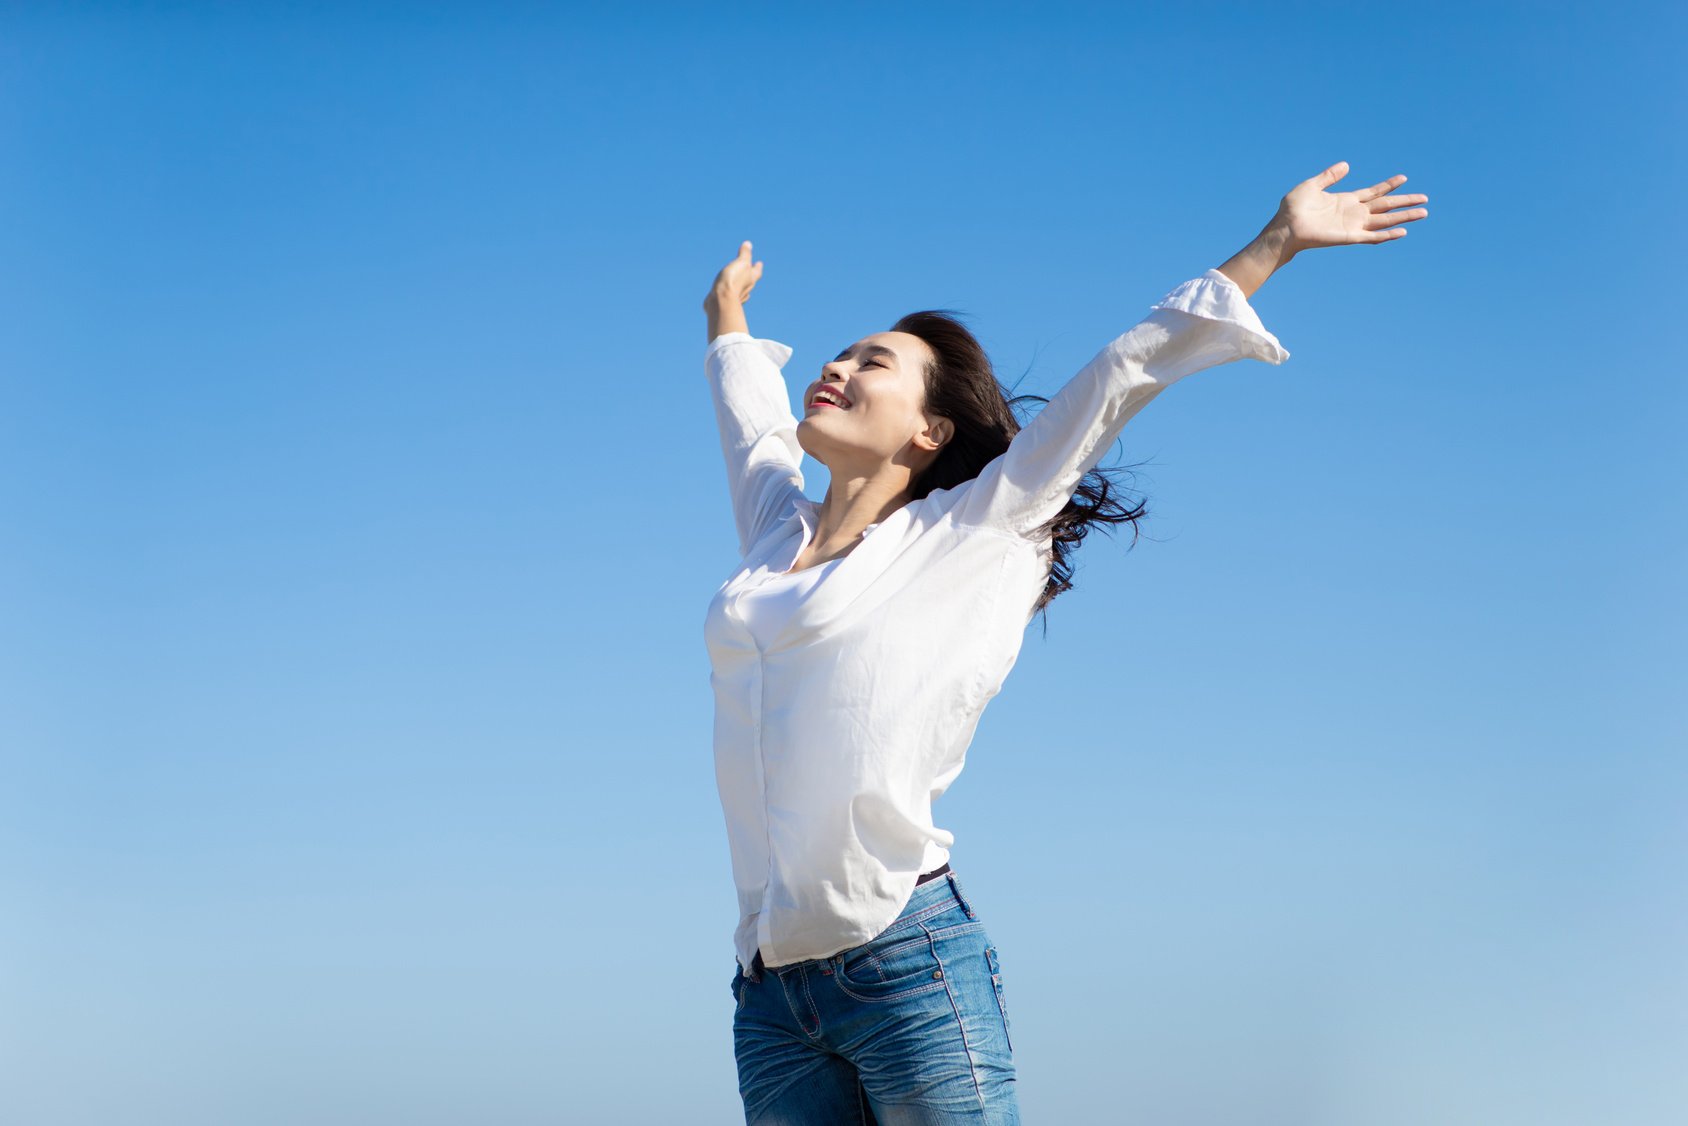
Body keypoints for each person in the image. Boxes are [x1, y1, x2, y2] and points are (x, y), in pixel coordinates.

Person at [701, 160, 1428, 1125]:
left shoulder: (972, 528)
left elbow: (1118, 378)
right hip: (770, 995)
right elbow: (753, 429)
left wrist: (1275, 243)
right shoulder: (773, 538)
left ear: (929, 431)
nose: (836, 367)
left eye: (872, 362)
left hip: (903, 965)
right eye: (839, 354)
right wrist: (728, 323)